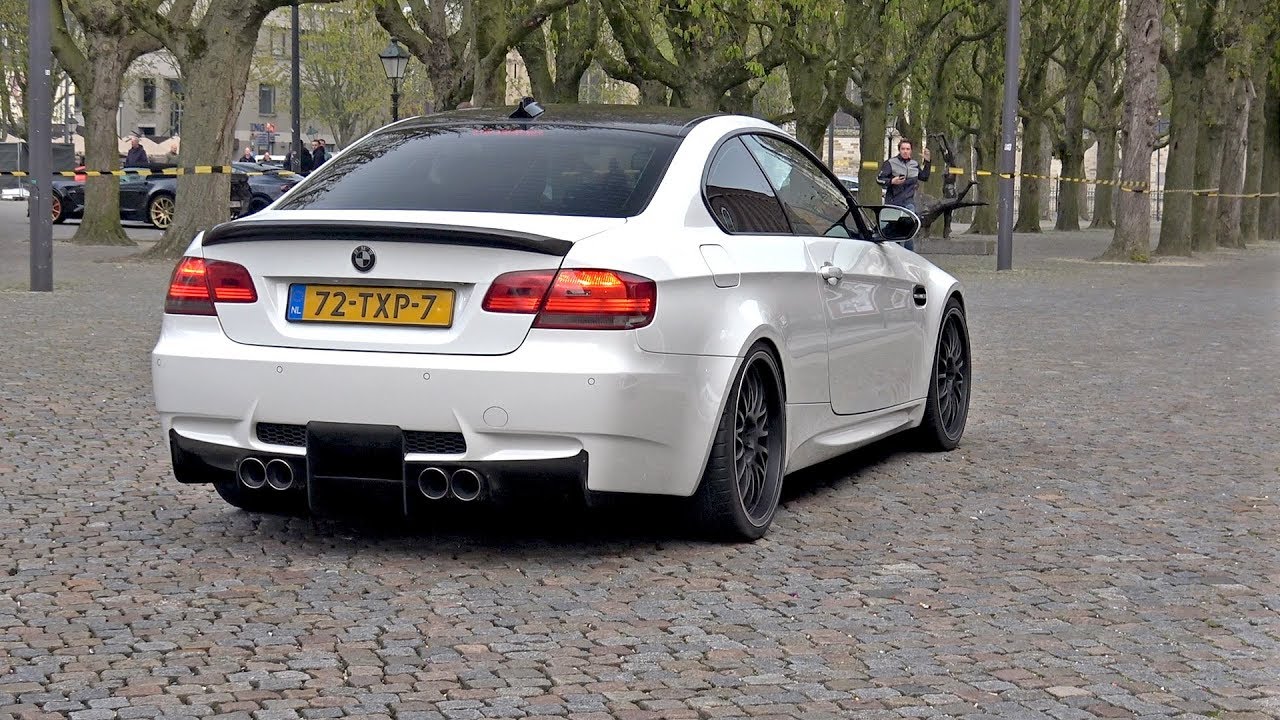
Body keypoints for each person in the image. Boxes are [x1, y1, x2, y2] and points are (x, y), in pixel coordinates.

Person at [876, 138, 931, 212]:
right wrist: (892, 181)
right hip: (893, 202)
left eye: (908, 149)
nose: (905, 151)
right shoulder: (890, 163)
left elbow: (924, 177)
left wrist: (928, 162)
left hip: (909, 203)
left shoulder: (914, 164)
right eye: (903, 149)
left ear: (911, 151)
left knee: (910, 222)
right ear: (899, 150)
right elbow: (879, 179)